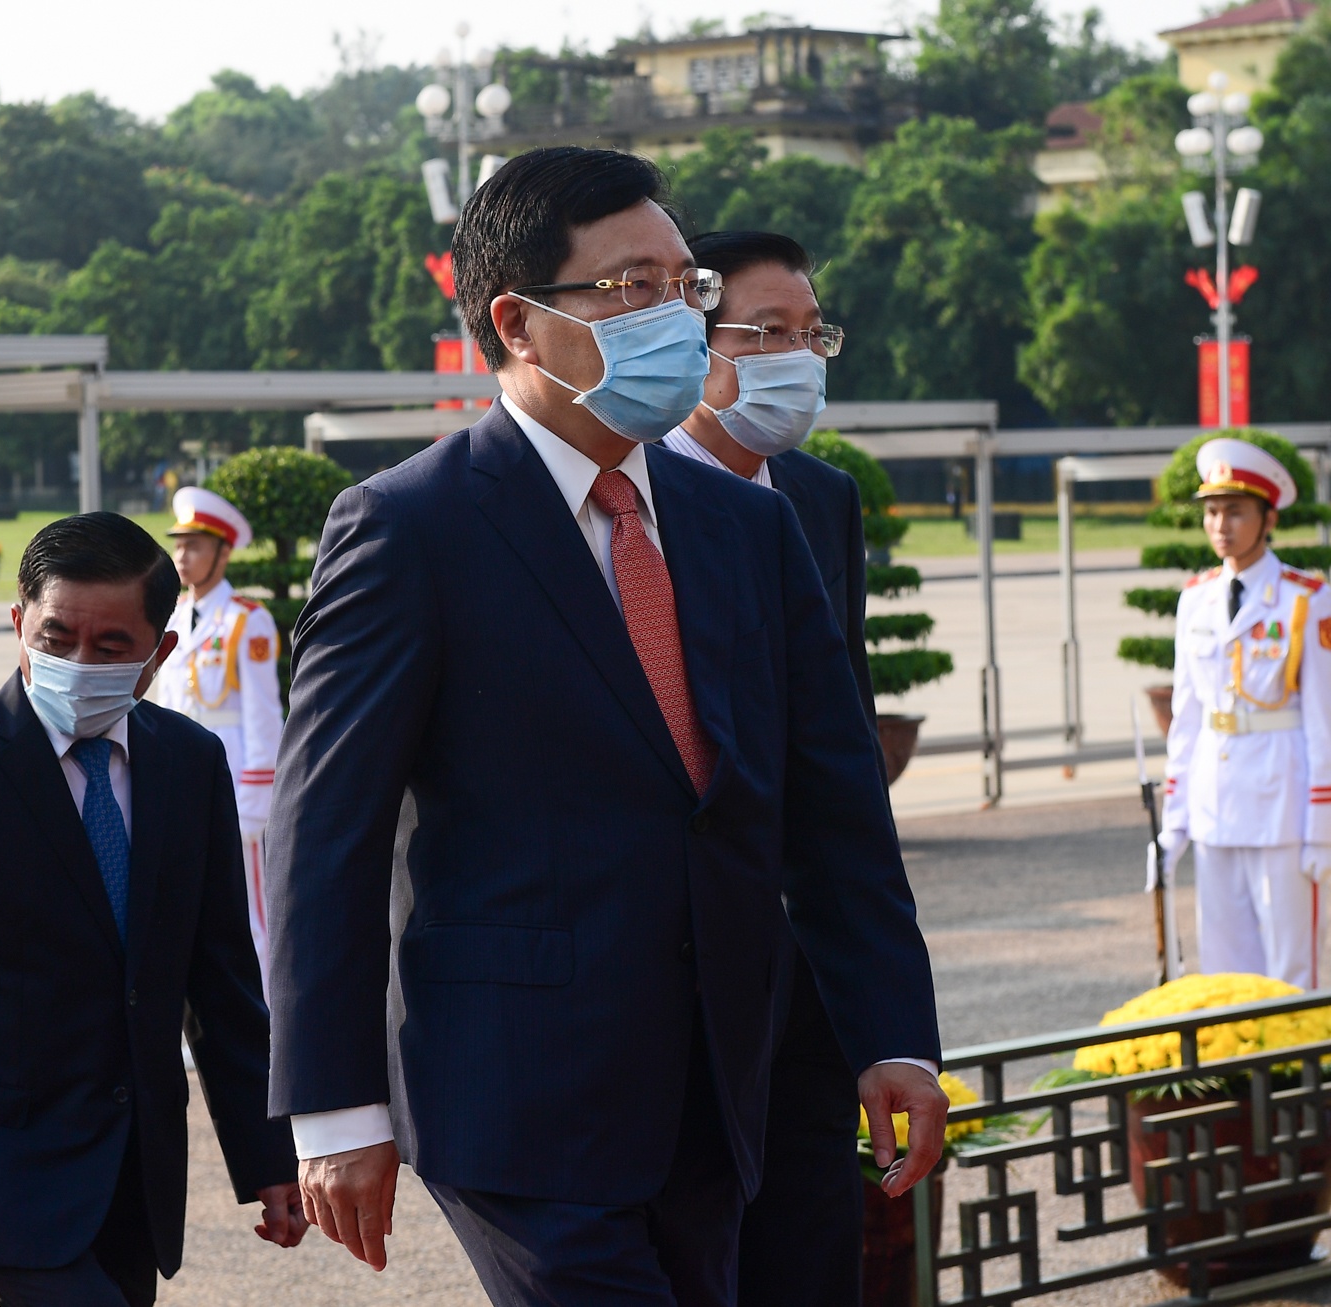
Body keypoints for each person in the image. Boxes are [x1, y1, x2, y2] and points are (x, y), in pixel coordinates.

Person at [267, 146, 944, 1307]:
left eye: (683, 287)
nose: (674, 317)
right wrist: (332, 1106)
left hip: (719, 1079)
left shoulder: (747, 528)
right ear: (517, 324)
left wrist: (891, 1028)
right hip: (516, 1089)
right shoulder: (406, 528)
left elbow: (832, 809)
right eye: (628, 287)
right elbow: (324, 832)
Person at [0, 513, 304, 1307]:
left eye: (112, 647)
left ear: (160, 656)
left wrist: (266, 1157)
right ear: (19, 624)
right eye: (55, 638)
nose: (79, 663)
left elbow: (221, 981)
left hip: (131, 1173)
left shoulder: (189, 765)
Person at [665, 229, 881, 1306]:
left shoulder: (818, 498)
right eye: (763, 333)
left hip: (803, 965)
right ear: (690, 341)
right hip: (672, 966)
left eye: (810, 333)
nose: (795, 357)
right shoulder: (628, 501)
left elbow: (838, 750)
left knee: (810, 1238)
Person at [1159, 437, 1331, 989]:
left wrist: (1325, 831)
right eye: (1213, 511)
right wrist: (1174, 826)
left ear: (1268, 518)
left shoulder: (1305, 600)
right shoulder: (1194, 599)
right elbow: (1187, 718)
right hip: (1215, 806)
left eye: (1235, 511)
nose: (1221, 525)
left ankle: (1297, 1075)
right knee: (1223, 972)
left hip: (1283, 809)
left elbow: (1326, 721)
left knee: (1290, 972)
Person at [149, 486, 283, 982]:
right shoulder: (175, 617)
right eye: (179, 545)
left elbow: (264, 714)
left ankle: (268, 1020)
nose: (182, 556)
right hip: (181, 782)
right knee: (187, 908)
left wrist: (255, 797)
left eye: (196, 546)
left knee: (250, 912)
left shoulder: (247, 621)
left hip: (234, 786)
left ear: (223, 552)